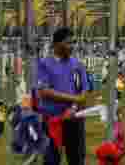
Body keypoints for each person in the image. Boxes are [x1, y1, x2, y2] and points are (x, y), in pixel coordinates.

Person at [36, 27, 90, 165]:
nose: (71, 46)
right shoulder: (45, 64)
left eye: (73, 43)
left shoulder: (77, 65)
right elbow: (44, 91)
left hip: (73, 120)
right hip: (52, 121)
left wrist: (73, 107)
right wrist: (73, 99)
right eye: (68, 43)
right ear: (56, 44)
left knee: (76, 159)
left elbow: (83, 93)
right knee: (51, 159)